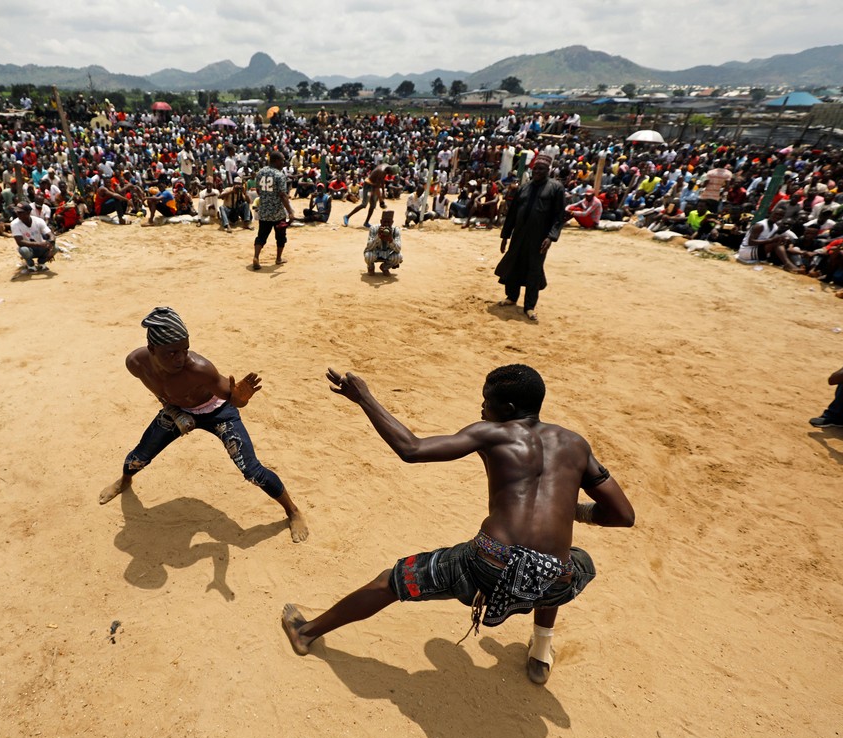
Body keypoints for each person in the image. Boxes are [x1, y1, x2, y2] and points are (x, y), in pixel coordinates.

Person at [282, 365, 635, 686]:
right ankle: (541, 653)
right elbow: (623, 515)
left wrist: (364, 398)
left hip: (487, 565)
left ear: (508, 410)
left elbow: (412, 449)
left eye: (486, 402)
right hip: (551, 581)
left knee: (392, 581)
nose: (481, 407)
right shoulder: (575, 444)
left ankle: (306, 632)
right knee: (565, 560)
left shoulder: (492, 433)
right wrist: (577, 512)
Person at [99, 307, 309, 543]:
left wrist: (241, 397)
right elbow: (159, 390)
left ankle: (292, 511)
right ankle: (125, 480)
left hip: (218, 412)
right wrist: (173, 410)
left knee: (252, 471)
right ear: (152, 350)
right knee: (138, 457)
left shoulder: (198, 368)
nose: (181, 358)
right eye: (172, 353)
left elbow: (234, 401)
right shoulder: (136, 363)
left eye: (185, 349)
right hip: (178, 410)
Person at [495, 155, 566, 321]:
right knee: (514, 264)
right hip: (519, 236)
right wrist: (505, 236)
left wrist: (551, 237)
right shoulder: (524, 187)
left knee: (534, 270)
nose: (537, 172)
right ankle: (511, 297)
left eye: (541, 169)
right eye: (535, 168)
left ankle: (529, 307)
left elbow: (559, 216)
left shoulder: (555, 188)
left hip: (539, 238)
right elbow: (512, 214)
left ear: (548, 170)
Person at [252, 151, 294, 271]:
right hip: (277, 213)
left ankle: (256, 257)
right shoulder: (279, 175)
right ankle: (278, 258)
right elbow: (283, 195)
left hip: (264, 211)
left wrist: (266, 198)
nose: (283, 162)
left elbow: (258, 191)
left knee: (261, 236)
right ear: (276, 161)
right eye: (282, 160)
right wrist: (290, 211)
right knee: (280, 236)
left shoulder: (260, 172)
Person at [343, 163, 398, 228]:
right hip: (368, 185)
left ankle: (366, 222)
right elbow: (377, 187)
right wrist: (381, 201)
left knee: (372, 206)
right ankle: (347, 216)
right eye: (391, 173)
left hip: (374, 185)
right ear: (390, 170)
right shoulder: (381, 171)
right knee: (364, 204)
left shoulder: (386, 168)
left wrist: (383, 192)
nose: (390, 175)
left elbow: (382, 180)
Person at [10, 203, 55, 272]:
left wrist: (51, 248)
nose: (18, 214)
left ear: (28, 212)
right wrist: (39, 244)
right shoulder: (14, 224)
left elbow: (51, 235)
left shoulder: (38, 221)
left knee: (56, 247)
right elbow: (20, 242)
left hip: (41, 247)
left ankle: (42, 263)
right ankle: (30, 264)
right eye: (17, 212)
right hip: (29, 248)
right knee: (23, 250)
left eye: (20, 212)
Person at [364, 210, 403, 275]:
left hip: (388, 253)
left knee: (399, 257)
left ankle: (385, 267)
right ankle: (370, 267)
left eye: (389, 222)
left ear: (392, 222)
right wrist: (378, 237)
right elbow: (369, 247)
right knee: (368, 256)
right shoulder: (374, 228)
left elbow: (398, 249)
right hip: (375, 252)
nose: (386, 224)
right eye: (384, 222)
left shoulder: (396, 230)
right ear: (381, 221)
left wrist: (390, 240)